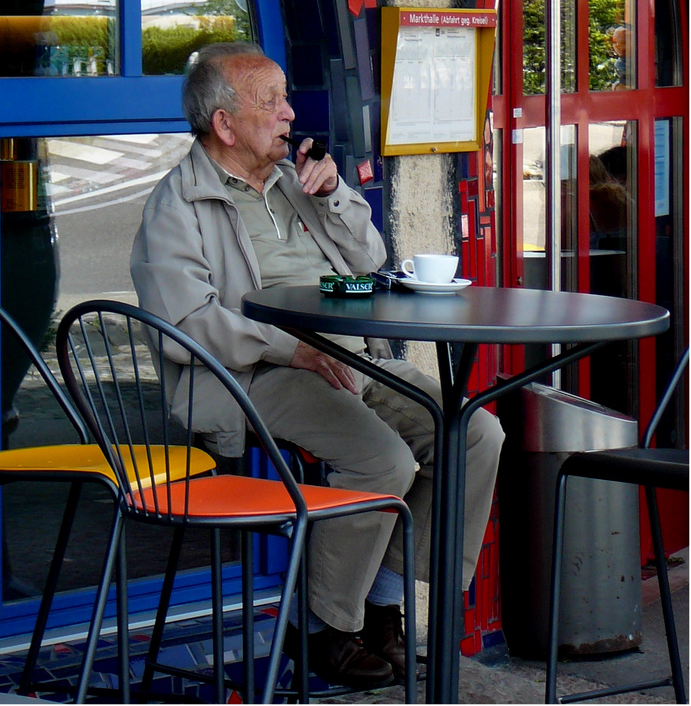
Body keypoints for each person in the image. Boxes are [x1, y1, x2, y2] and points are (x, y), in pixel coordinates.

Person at [131, 41, 504, 690]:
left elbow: (368, 261)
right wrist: (290, 347)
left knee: (472, 432)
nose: (288, 112)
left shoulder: (295, 180)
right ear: (223, 123)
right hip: (249, 378)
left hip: (345, 358)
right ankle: (324, 625)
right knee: (382, 458)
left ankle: (381, 604)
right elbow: (185, 325)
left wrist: (337, 196)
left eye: (285, 96)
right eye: (270, 100)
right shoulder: (177, 205)